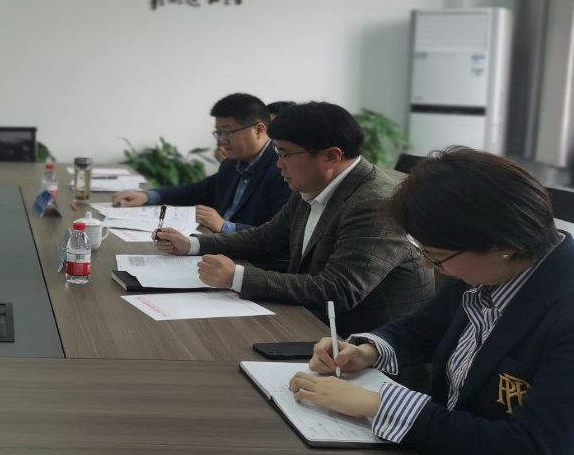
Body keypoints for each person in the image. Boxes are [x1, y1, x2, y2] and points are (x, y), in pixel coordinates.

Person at [290, 148, 574, 455]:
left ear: (503, 245)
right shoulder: (489, 268)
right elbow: (423, 329)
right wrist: (366, 352)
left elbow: (533, 449)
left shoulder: (562, 312)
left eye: (436, 255)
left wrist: (379, 405)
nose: (427, 264)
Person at [155, 102, 433, 334]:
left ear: (331, 156)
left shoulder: (375, 204)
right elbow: (266, 239)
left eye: (285, 154)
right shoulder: (313, 184)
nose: (278, 164)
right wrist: (193, 245)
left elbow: (338, 290)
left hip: (363, 349)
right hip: (312, 327)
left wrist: (236, 276)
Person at [111, 93, 290, 233]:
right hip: (216, 245)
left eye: (228, 133)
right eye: (218, 133)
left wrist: (225, 226)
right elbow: (196, 191)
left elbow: (280, 235)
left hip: (248, 260)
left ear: (258, 130)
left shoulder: (283, 170)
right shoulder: (231, 164)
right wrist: (148, 196)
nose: (222, 141)